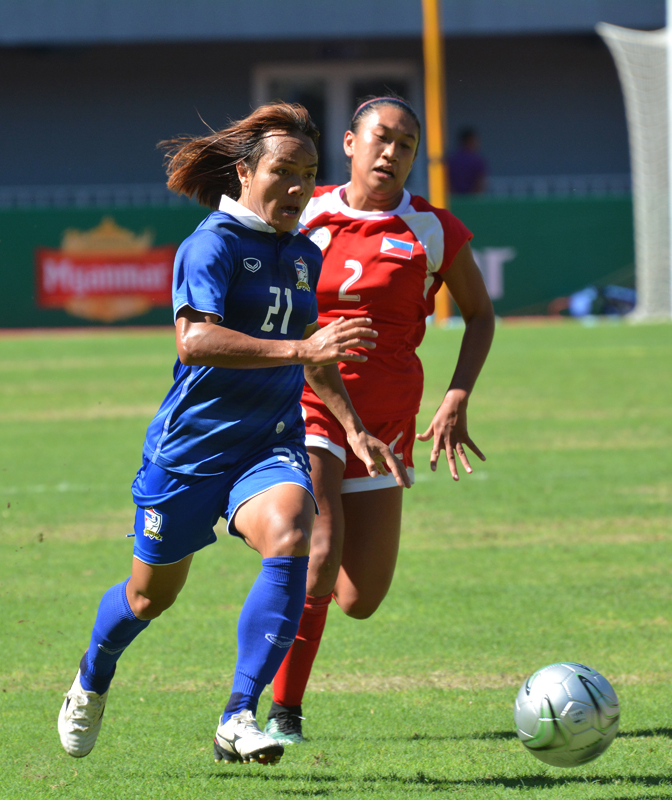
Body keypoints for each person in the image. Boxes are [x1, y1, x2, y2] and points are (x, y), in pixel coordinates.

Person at [56, 102, 409, 766]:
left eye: (308, 173)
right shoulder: (212, 244)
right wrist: (299, 353)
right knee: (146, 598)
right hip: (190, 450)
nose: (298, 187)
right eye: (283, 170)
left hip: (267, 444)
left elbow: (312, 347)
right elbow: (195, 341)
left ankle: (238, 715)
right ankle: (93, 672)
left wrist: (356, 430)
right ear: (245, 172)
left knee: (294, 536)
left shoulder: (304, 252)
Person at [264, 95, 496, 743]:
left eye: (406, 145)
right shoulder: (303, 212)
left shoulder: (432, 230)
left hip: (387, 421)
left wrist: (458, 395)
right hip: (306, 404)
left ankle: (282, 576)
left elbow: (480, 314)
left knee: (360, 599)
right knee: (318, 551)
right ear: (349, 143)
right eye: (381, 138)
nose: (391, 152)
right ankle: (283, 715)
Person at [446, 126, 487, 195]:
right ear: (469, 140)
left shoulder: (451, 159)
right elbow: (480, 181)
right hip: (471, 200)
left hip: (454, 199)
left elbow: (445, 181)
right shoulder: (476, 160)